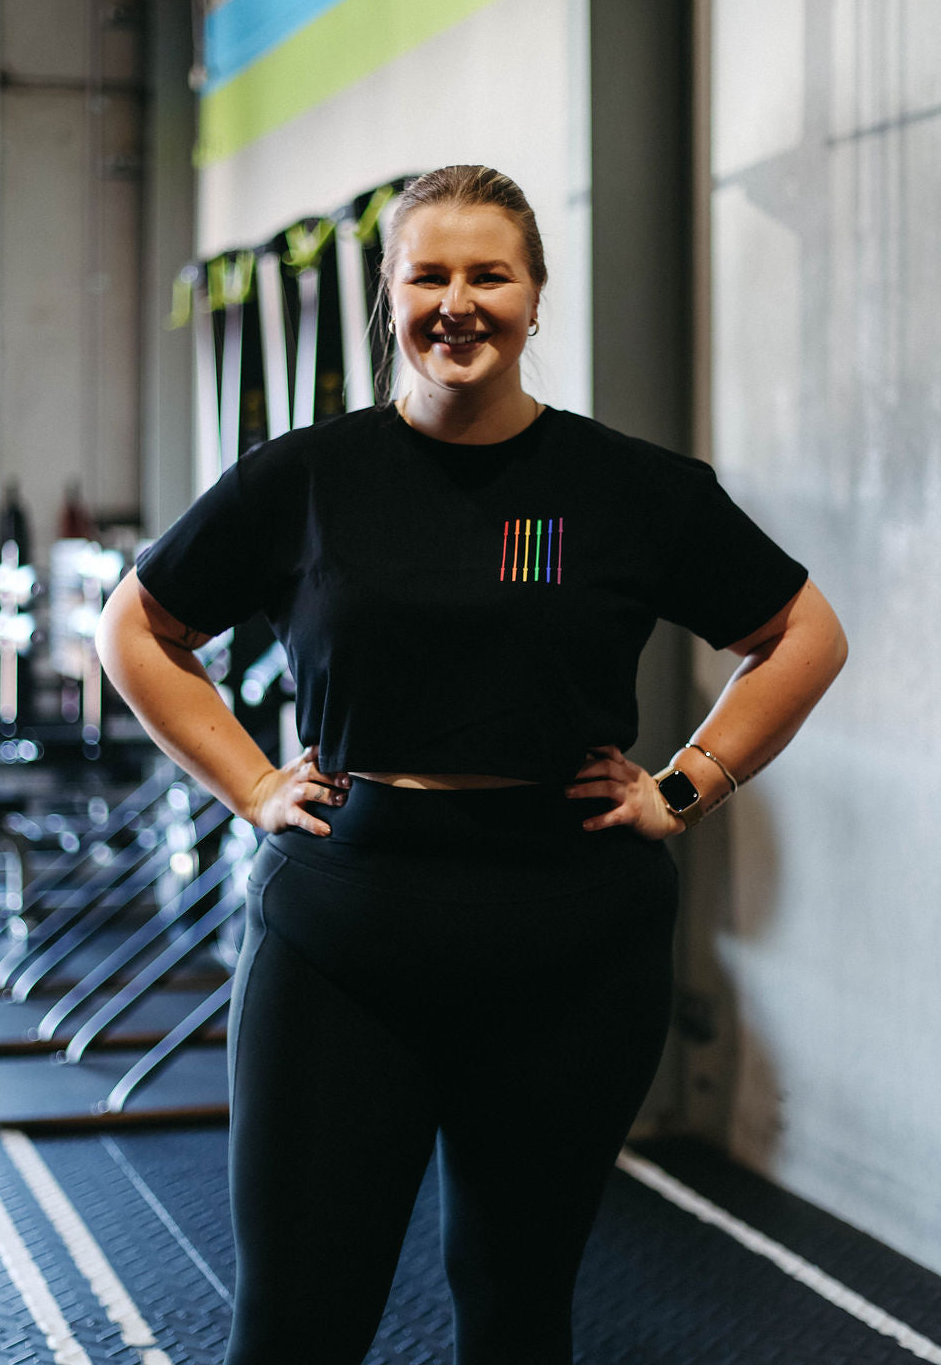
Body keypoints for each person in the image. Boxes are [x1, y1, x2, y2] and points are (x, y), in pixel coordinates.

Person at [96, 165, 847, 1365]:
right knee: (295, 1323)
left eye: (487, 274)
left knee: (514, 1310)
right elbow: (136, 629)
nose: (458, 302)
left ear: (535, 298)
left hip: (568, 941)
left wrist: (689, 785)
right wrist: (248, 786)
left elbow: (801, 633)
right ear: (389, 296)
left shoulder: (626, 489)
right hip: (345, 928)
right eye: (428, 275)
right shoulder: (308, 479)